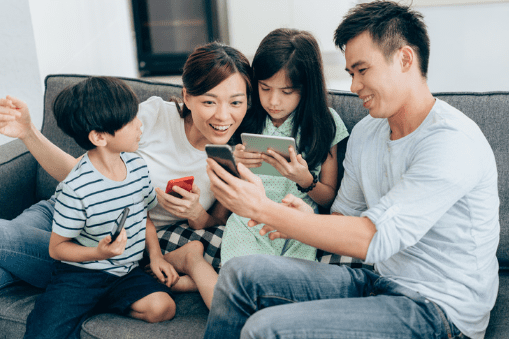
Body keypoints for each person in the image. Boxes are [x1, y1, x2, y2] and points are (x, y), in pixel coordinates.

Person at [203, 1, 499, 338]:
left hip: (438, 308)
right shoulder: (367, 133)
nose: (354, 86)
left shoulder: (451, 142)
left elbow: (375, 237)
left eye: (362, 70)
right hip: (380, 281)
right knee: (239, 273)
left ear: (404, 59)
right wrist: (303, 215)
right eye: (350, 74)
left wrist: (263, 209)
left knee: (266, 329)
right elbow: (345, 218)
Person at [0, 42, 251, 291]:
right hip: (59, 214)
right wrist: (28, 132)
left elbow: (216, 225)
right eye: (210, 102)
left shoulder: (231, 159)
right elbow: (75, 174)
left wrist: (195, 212)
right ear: (187, 96)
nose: (223, 116)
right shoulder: (153, 116)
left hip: (105, 246)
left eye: (236, 103)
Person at [23, 76, 177, 339]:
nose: (140, 124)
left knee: (164, 307)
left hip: (126, 272)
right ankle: (86, 301)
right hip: (81, 275)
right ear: (99, 137)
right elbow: (57, 248)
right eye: (130, 121)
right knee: (44, 331)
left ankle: (100, 302)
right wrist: (98, 252)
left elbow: (145, 218)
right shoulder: (76, 188)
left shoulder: (138, 167)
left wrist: (156, 257)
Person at [222, 27, 348, 264]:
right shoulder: (247, 116)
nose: (273, 101)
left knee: (287, 284)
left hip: (297, 224)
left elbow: (329, 198)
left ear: (306, 88)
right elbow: (225, 185)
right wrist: (234, 162)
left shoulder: (324, 123)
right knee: (241, 274)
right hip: (249, 220)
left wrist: (305, 179)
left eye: (287, 91)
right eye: (265, 88)